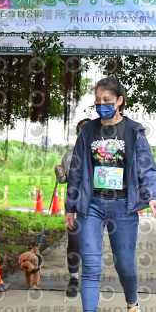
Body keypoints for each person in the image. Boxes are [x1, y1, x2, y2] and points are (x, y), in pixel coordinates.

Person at [64, 77, 156, 312]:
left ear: (119, 101)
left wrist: (153, 196)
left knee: (125, 266)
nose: (101, 106)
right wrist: (71, 206)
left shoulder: (133, 131)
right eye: (97, 101)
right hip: (92, 206)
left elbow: (147, 166)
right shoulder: (88, 131)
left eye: (107, 101)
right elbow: (76, 170)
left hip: (123, 206)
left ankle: (133, 304)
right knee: (91, 267)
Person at [55, 118, 91, 297]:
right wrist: (59, 172)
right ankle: (74, 278)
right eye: (82, 130)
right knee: (74, 241)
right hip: (74, 204)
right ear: (77, 133)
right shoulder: (69, 156)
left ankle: (90, 279)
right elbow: (64, 179)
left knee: (91, 243)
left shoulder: (102, 153)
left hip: (95, 205)